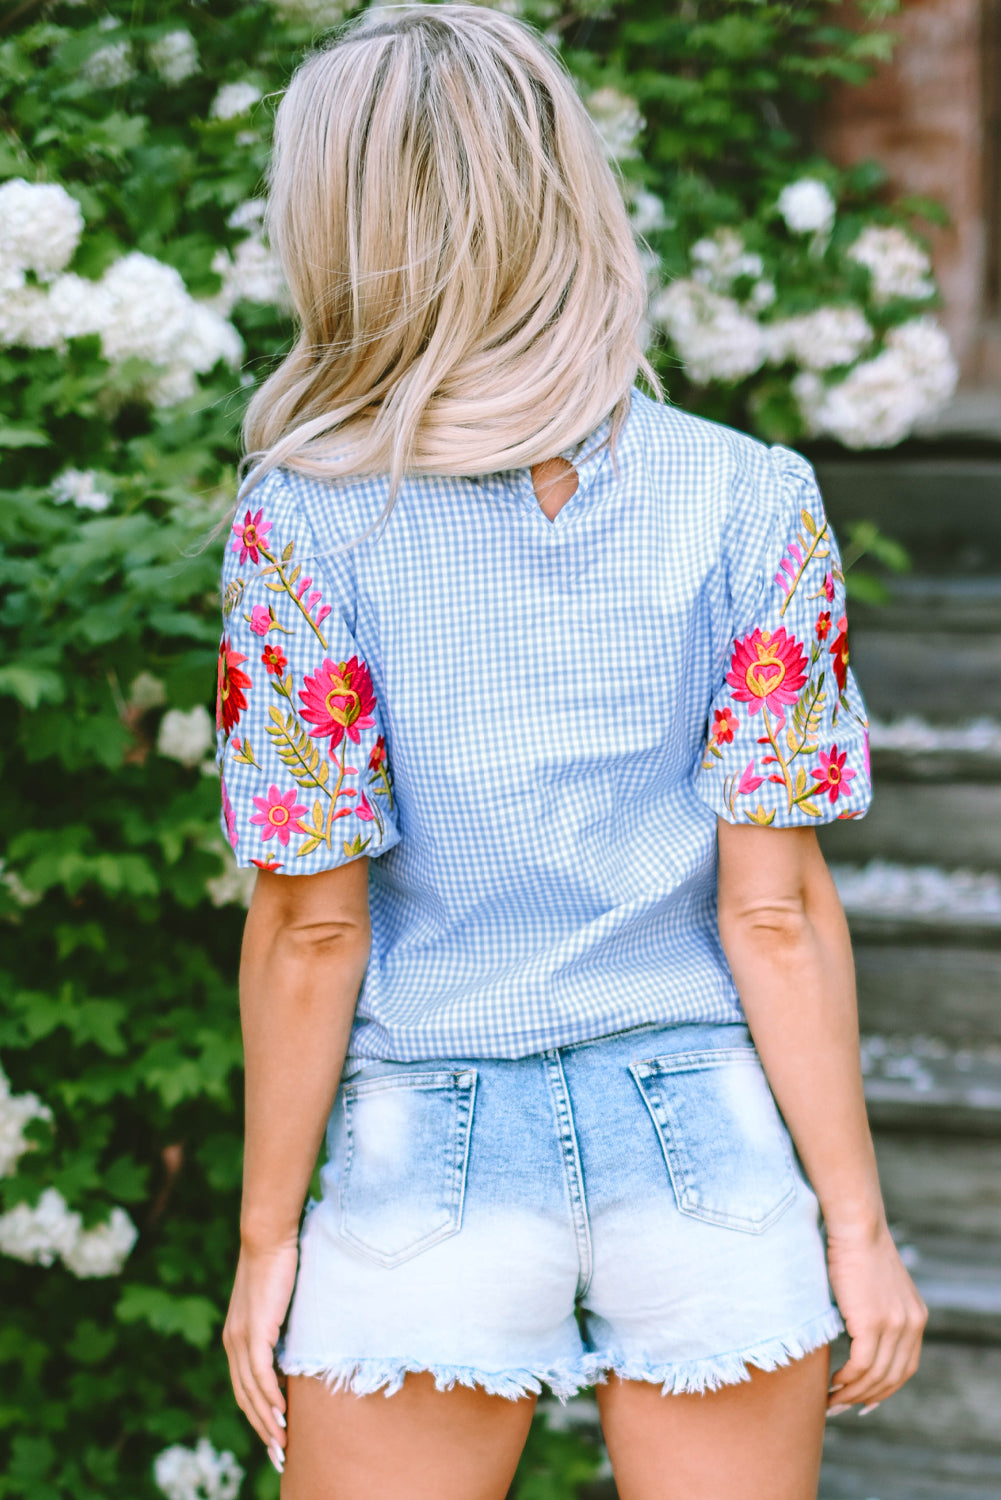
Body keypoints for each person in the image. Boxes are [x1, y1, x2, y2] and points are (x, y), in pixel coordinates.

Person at [213, 7, 927, 1497]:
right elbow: (774, 910)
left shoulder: (304, 522)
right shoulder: (753, 498)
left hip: (428, 1148)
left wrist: (266, 1241)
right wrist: (853, 1226)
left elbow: (310, 922)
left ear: (338, 222)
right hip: (712, 1140)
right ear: (568, 193)